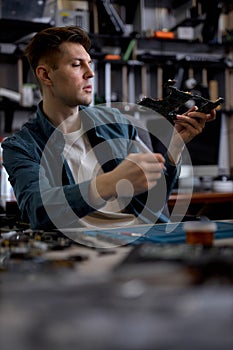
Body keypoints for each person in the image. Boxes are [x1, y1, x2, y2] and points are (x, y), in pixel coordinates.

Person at [2, 26, 216, 231]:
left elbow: (150, 200)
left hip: (140, 241)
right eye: (77, 65)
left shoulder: (114, 121)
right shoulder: (22, 147)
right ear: (46, 75)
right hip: (83, 252)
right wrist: (110, 182)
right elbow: (37, 210)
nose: (90, 73)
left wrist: (174, 147)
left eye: (89, 63)